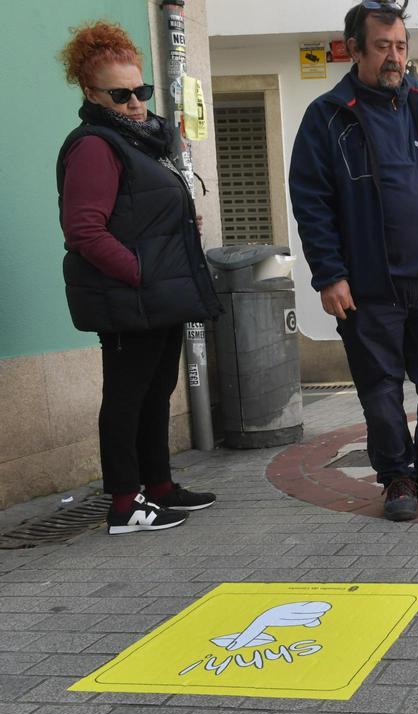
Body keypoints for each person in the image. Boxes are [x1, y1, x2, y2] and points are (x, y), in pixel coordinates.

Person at [289, 0, 418, 522]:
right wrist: (329, 274)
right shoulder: (327, 117)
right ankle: (398, 475)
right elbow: (312, 202)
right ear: (354, 50)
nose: (395, 57)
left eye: (401, 46)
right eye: (383, 47)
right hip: (368, 284)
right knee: (380, 391)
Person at [56, 21, 220, 535]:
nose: (134, 102)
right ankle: (126, 503)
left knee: (155, 392)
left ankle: (160, 486)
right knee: (127, 398)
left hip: (158, 294)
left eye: (141, 91)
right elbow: (84, 229)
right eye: (120, 93)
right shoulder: (94, 147)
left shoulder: (142, 142)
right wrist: (140, 272)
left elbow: (140, 213)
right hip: (131, 295)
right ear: (90, 92)